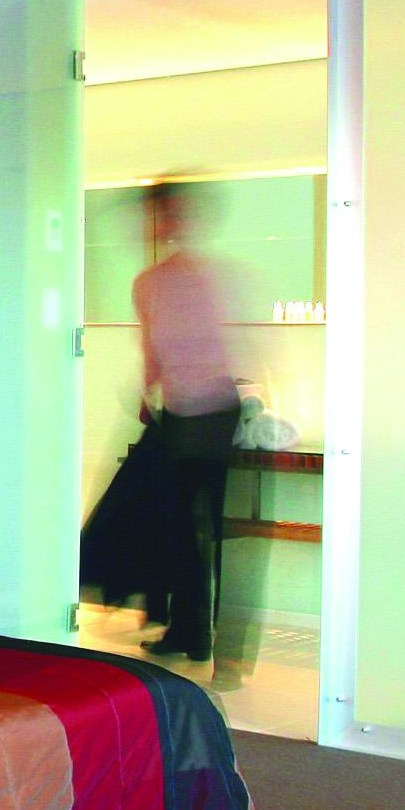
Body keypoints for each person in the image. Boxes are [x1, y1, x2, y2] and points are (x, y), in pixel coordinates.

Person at [131, 183, 240, 663]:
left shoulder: (214, 276)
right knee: (176, 526)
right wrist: (148, 393)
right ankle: (189, 630)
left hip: (214, 410)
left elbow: (234, 344)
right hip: (180, 411)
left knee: (201, 527)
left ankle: (201, 633)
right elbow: (151, 347)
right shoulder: (149, 283)